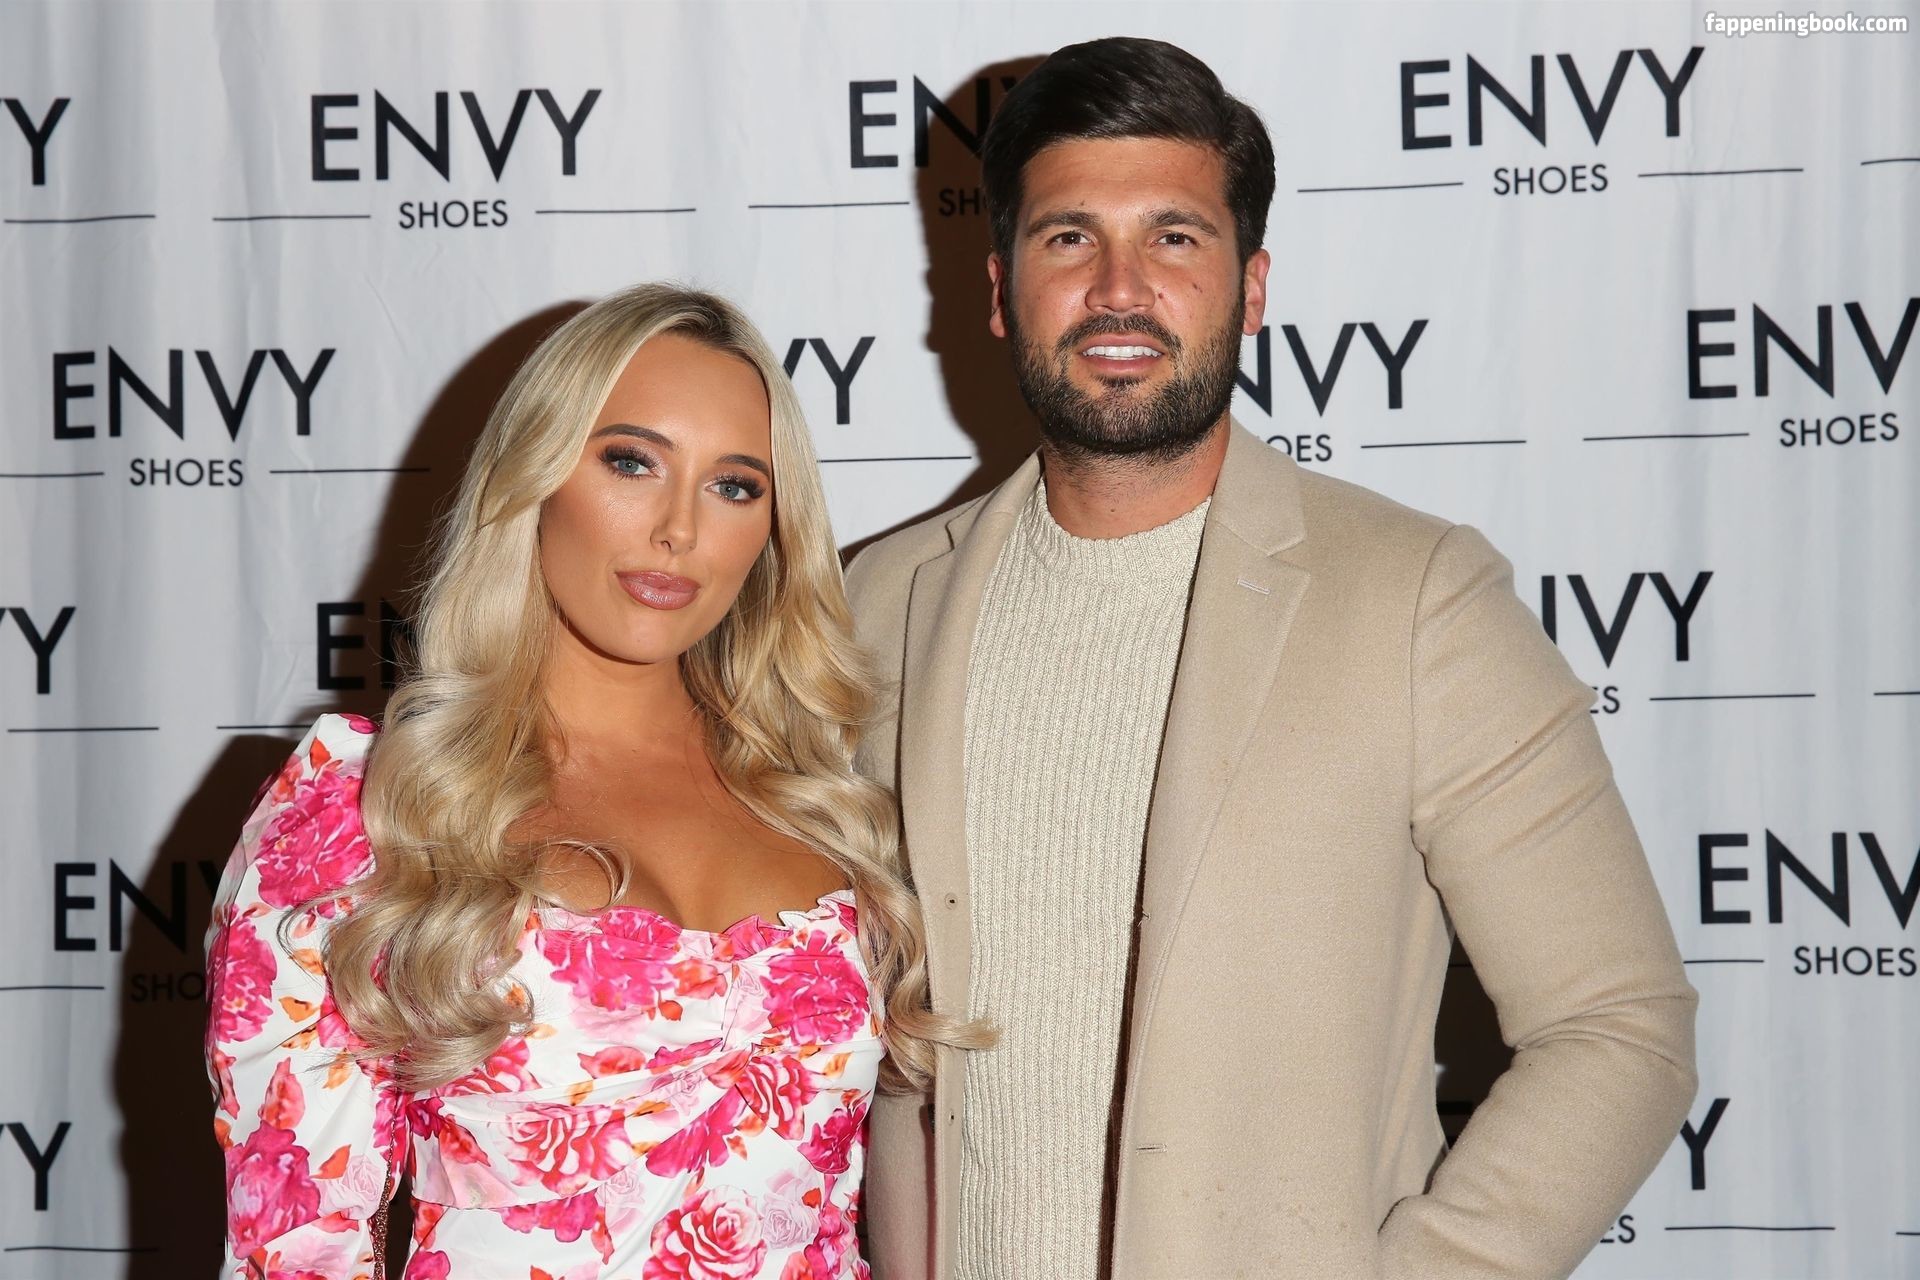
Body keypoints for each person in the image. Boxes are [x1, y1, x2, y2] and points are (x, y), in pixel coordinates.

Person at [845, 37, 1698, 1280]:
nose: (1120, 288)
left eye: (1175, 237)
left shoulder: (1417, 600)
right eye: (1070, 238)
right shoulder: (874, 606)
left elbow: (1619, 1023)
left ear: (1250, 289)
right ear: (999, 288)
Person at [204, 283, 976, 1279]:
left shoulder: (825, 800)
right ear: (534, 474)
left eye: (734, 485)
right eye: (630, 461)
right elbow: (296, 1251)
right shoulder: (368, 808)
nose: (678, 528)